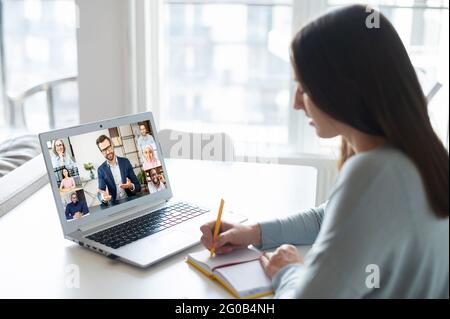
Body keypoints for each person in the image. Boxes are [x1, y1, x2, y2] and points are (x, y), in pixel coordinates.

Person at [200, 5, 449, 298]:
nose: (296, 102)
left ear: (341, 89)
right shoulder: (417, 155)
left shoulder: (374, 173)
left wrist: (287, 271)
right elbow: (329, 217)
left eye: (303, 87)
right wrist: (255, 232)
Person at [96, 135, 141, 204]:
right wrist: (103, 197)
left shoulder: (125, 162)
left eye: (108, 147)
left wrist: (131, 186)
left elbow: (138, 186)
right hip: (115, 206)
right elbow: (101, 191)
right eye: (104, 150)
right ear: (101, 152)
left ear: (112, 145)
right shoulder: (101, 170)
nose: (108, 152)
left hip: (131, 202)